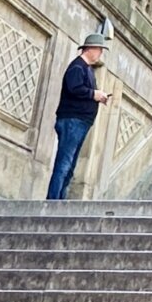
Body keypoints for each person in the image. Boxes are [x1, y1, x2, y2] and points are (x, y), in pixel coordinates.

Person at [45, 24, 110, 199]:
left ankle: (59, 198)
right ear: (90, 49)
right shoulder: (77, 67)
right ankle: (53, 200)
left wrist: (98, 96)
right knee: (64, 163)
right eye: (99, 49)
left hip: (80, 121)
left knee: (70, 164)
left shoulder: (86, 69)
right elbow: (74, 88)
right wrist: (93, 94)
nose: (100, 54)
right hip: (72, 120)